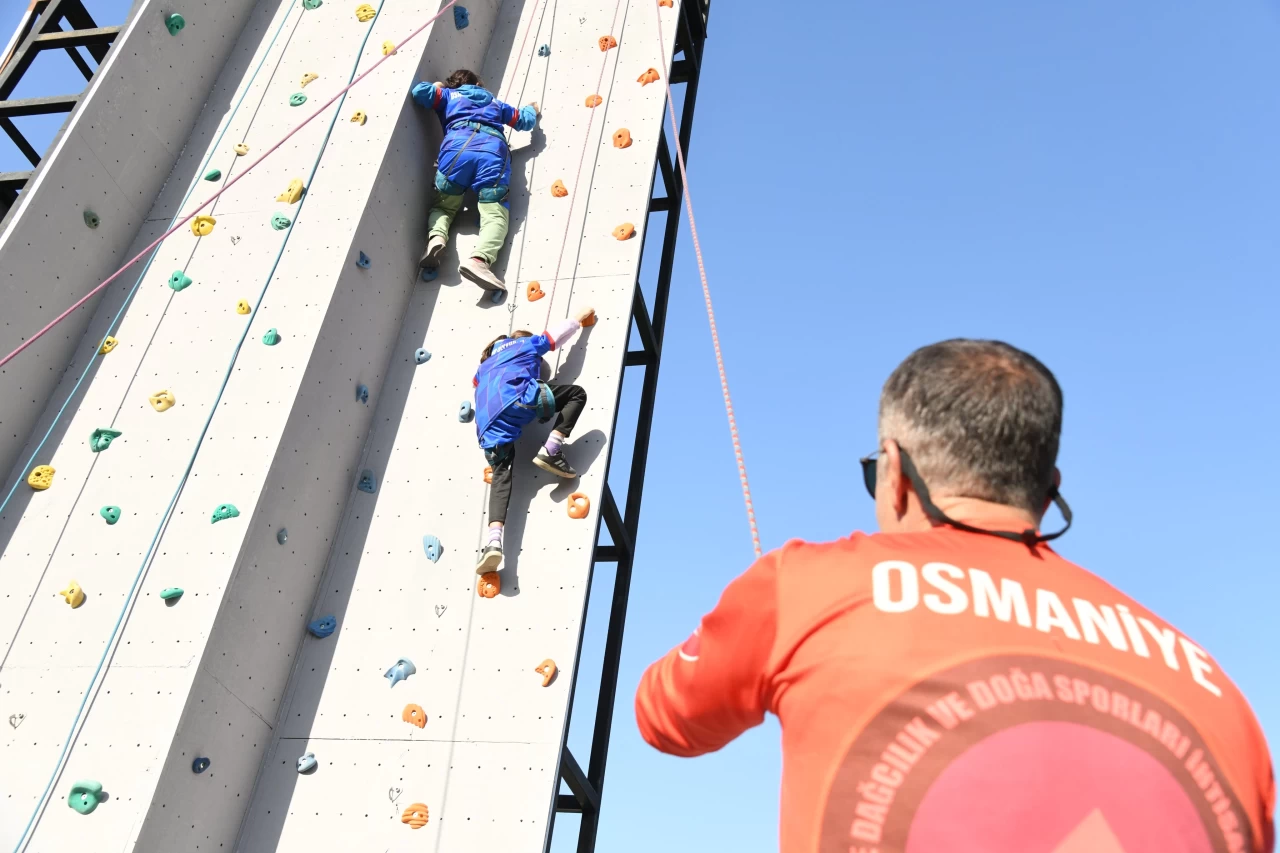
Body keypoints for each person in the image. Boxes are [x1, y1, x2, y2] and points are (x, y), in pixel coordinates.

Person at [635, 339, 1275, 853]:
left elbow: (664, 717)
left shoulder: (804, 586)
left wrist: (756, 629)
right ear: (1048, 489)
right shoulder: (1218, 692)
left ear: (894, 472)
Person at [473, 306, 596, 573]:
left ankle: (493, 543)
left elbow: (475, 383)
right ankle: (552, 448)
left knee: (501, 478)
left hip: (486, 428)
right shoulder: (523, 344)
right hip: (517, 399)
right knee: (576, 394)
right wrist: (579, 319)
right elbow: (551, 338)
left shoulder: (484, 366)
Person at [410, 69, 539, 294]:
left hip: (456, 150)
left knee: (443, 205)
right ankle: (479, 260)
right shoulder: (495, 103)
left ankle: (437, 238)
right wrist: (532, 109)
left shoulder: (448, 96)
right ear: (478, 83)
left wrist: (439, 87)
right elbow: (524, 122)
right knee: (494, 213)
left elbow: (419, 92)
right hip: (491, 152)